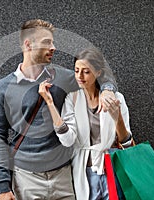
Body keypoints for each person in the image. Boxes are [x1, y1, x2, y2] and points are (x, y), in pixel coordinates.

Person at [0, 19, 118, 200]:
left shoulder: (63, 77)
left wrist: (107, 90)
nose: (54, 47)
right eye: (47, 42)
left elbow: (100, 73)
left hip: (63, 176)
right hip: (26, 178)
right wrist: (2, 187)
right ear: (28, 45)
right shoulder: (2, 88)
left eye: (53, 42)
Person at [39, 47, 133, 200]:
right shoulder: (72, 99)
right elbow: (68, 140)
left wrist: (117, 118)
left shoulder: (116, 98)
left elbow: (127, 144)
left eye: (86, 71)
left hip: (113, 170)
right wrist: (50, 103)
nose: (80, 76)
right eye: (76, 71)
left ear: (98, 72)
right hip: (85, 172)